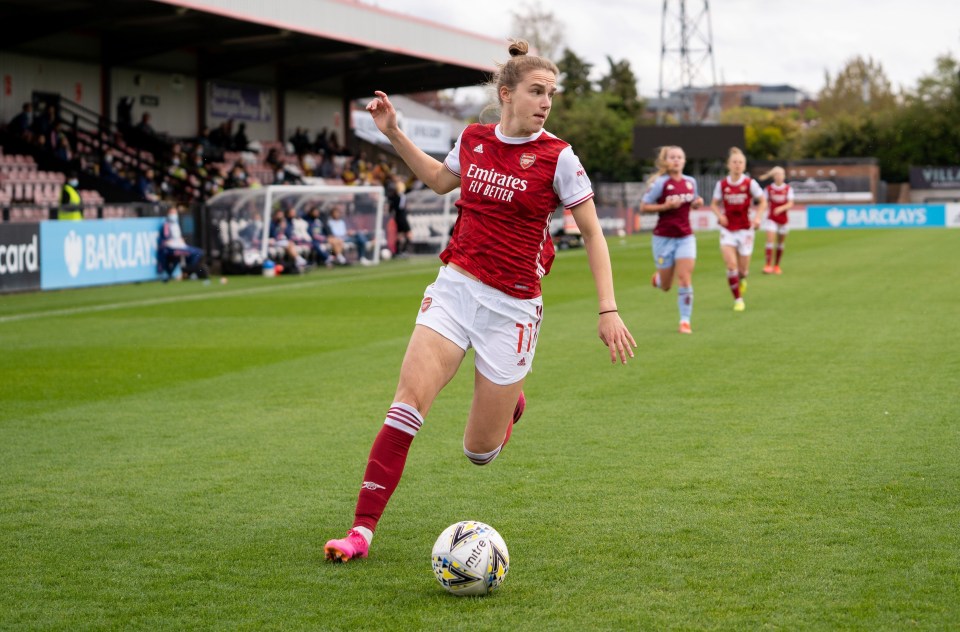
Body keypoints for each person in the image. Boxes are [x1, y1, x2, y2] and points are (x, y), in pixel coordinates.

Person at [324, 39, 636, 563]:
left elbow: (594, 234)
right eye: (537, 92)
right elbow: (439, 181)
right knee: (406, 407)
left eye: (552, 95)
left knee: (479, 453)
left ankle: (510, 404)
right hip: (455, 288)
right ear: (507, 94)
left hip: (512, 309)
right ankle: (360, 532)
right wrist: (394, 132)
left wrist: (608, 309)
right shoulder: (471, 139)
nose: (545, 103)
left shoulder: (559, 157)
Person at [640, 146, 704, 334]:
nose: (676, 160)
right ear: (666, 161)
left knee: (685, 278)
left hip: (685, 237)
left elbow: (694, 200)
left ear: (684, 161)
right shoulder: (660, 183)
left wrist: (697, 203)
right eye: (672, 157)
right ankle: (659, 278)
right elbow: (644, 207)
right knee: (666, 286)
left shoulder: (691, 182)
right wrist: (665, 206)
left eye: (680, 157)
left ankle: (685, 321)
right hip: (663, 238)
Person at [710, 147, 767, 312]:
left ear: (744, 165)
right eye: (734, 162)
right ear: (729, 164)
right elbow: (714, 204)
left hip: (745, 230)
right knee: (731, 266)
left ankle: (741, 279)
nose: (737, 165)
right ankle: (738, 299)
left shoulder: (750, 183)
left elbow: (762, 201)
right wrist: (720, 216)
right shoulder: (722, 184)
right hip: (728, 230)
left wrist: (757, 218)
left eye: (740, 162)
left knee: (743, 271)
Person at [158, 207, 208, 281]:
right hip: (173, 248)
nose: (174, 215)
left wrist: (181, 241)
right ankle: (187, 272)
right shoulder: (166, 225)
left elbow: (179, 238)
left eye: (175, 213)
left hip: (181, 246)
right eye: (172, 213)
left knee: (199, 252)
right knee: (194, 254)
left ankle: (189, 272)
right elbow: (166, 241)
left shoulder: (176, 224)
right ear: (168, 214)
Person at [760, 166, 794, 275]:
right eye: (777, 175)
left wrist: (781, 208)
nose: (779, 177)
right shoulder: (768, 189)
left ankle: (777, 265)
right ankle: (767, 265)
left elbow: (790, 203)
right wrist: (759, 214)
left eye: (781, 174)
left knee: (780, 243)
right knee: (770, 241)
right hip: (772, 218)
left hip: (783, 220)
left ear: (784, 176)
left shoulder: (788, 189)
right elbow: (763, 203)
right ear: (774, 176)